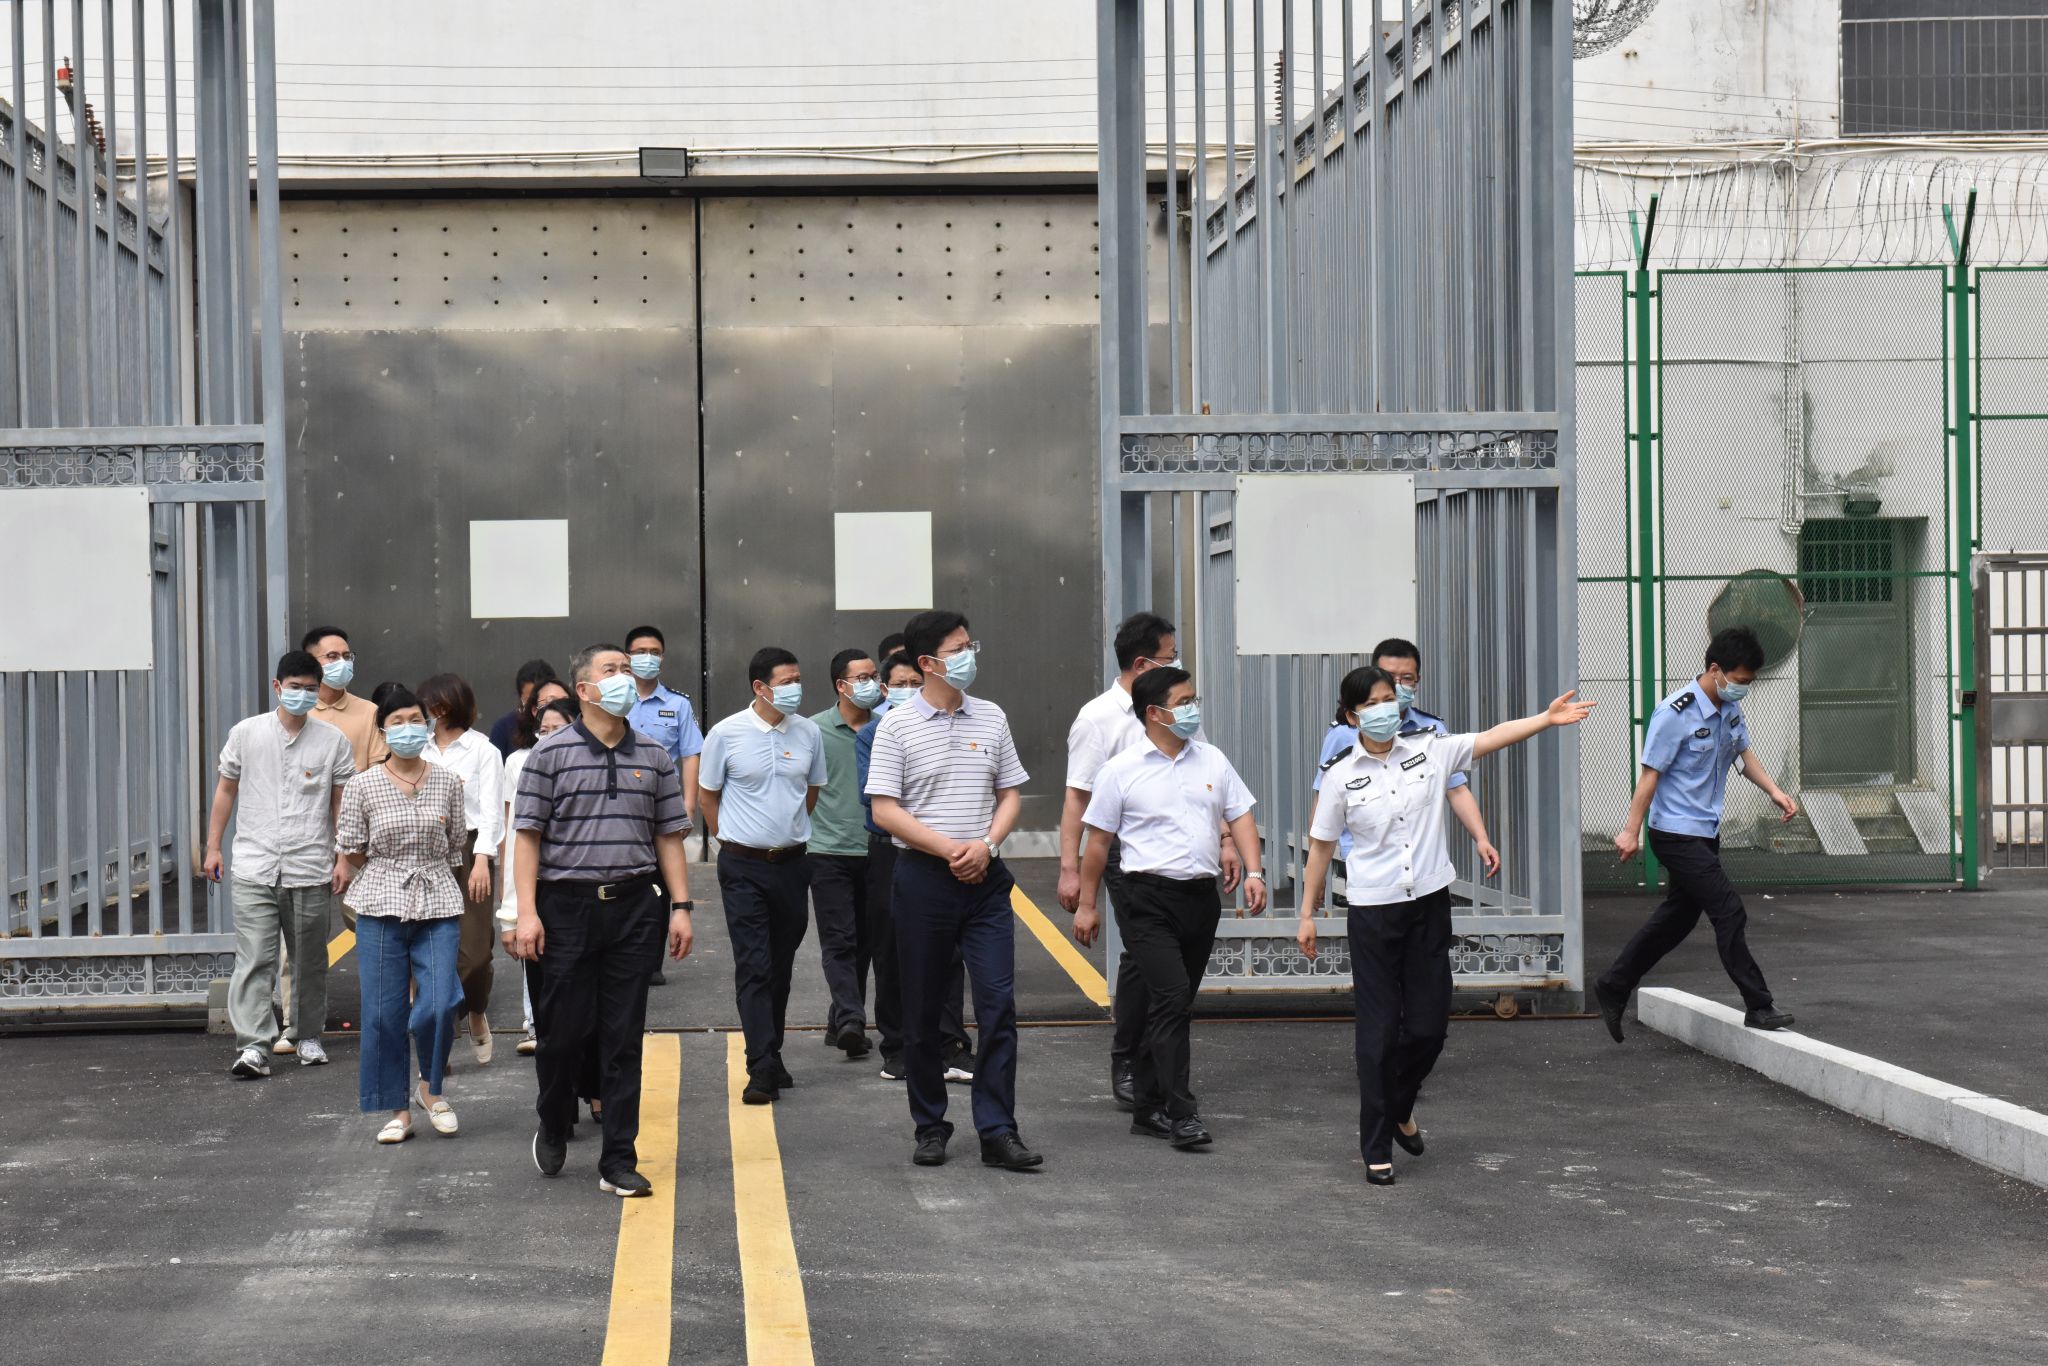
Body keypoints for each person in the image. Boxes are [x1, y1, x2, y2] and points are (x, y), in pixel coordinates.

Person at [1299, 668, 1593, 1186]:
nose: (1386, 709)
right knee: (1378, 1034)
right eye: (1372, 703)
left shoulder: (1428, 749)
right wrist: (1307, 913)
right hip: (1374, 912)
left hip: (1428, 906)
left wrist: (1546, 720)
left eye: (1389, 699)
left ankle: (1400, 1104)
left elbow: (1490, 738)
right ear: (1351, 717)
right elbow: (1321, 847)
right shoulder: (1341, 775)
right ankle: (1376, 1146)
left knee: (1429, 1028)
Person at [511, 643, 696, 1199]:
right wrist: (526, 913)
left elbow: (668, 837)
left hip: (635, 908)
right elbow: (527, 838)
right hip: (566, 908)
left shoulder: (655, 755)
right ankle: (553, 1117)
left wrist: (681, 907)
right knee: (562, 1034)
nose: (625, 678)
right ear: (584, 690)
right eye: (611, 670)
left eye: (627, 669)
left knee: (623, 1038)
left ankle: (619, 1158)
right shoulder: (550, 754)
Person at [867, 610, 1041, 1171]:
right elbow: (884, 809)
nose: (970, 656)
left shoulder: (991, 716)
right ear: (928, 662)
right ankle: (930, 1125)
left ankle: (998, 1129)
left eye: (971, 645)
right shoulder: (896, 726)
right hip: (924, 881)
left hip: (985, 882)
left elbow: (1009, 793)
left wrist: (985, 845)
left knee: (997, 1006)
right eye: (958, 648)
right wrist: (950, 850)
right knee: (922, 1010)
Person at [1072, 666, 1266, 1149]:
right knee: (1173, 998)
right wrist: (1087, 904)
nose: (1193, 709)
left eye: (1193, 699)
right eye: (1184, 702)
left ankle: (1147, 1107)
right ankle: (1182, 1113)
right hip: (1145, 899)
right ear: (1155, 713)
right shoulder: (1120, 771)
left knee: (1170, 1004)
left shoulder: (1212, 760)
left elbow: (1240, 814)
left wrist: (1255, 871)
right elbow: (1098, 844)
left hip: (1200, 899)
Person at [1057, 611, 1240, 1112]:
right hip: (1125, 852)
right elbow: (1077, 797)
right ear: (1141, 664)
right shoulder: (1097, 718)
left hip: (1184, 851)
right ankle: (1134, 1064)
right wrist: (1071, 870)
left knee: (1145, 962)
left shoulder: (1179, 707)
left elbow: (1206, 783)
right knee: (1147, 960)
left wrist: (1225, 838)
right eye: (1169, 656)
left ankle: (1142, 1063)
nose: (1178, 664)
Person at [1595, 626, 1799, 1042]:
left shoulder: (1729, 706)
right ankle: (1759, 1004)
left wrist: (1775, 791)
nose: (1744, 688)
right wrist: (1630, 831)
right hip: (1674, 833)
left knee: (1677, 919)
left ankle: (1614, 985)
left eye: (1749, 682)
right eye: (1739, 680)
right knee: (1729, 910)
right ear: (1715, 669)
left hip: (1705, 832)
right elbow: (1649, 775)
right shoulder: (1675, 713)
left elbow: (1742, 752)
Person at [204, 649, 356, 1078]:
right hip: (255, 864)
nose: (302, 695)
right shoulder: (246, 733)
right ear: (277, 687)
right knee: (255, 958)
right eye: (295, 687)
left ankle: (306, 1034)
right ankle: (253, 1045)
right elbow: (226, 790)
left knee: (309, 959)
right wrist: (213, 847)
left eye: (311, 689)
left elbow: (340, 804)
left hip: (309, 865)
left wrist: (343, 857)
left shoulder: (333, 741)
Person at [337, 687, 469, 1143]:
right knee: (382, 1011)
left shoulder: (447, 782)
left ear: (427, 725)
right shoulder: (362, 785)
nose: (408, 728)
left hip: (438, 900)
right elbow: (352, 846)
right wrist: (390, 872)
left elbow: (456, 844)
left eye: (416, 719)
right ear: (382, 730)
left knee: (440, 1001)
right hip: (379, 903)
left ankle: (431, 1089)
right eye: (397, 721)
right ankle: (397, 1110)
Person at [700, 647, 828, 1104]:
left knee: (781, 963)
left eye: (798, 679)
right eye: (786, 681)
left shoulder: (809, 732)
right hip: (743, 867)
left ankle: (771, 1051)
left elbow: (810, 792)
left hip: (793, 864)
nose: (796, 688)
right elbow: (708, 796)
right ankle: (760, 1067)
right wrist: (729, 841)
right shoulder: (725, 733)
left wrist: (786, 833)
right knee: (754, 965)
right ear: (760, 687)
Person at [858, 653, 974, 1083]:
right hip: (894, 852)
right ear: (884, 689)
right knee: (892, 950)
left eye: (914, 682)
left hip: (946, 853)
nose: (908, 690)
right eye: (899, 683)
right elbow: (874, 802)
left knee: (949, 952)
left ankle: (951, 1044)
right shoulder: (876, 733)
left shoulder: (956, 724)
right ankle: (897, 1046)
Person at [1314, 639, 1500, 879]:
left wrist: (1481, 838)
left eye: (1407, 678)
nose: (1398, 685)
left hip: (1421, 863)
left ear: (1417, 681)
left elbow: (1456, 789)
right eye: (1391, 677)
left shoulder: (1430, 729)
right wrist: (1316, 875)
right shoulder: (1343, 733)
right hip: (1366, 865)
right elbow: (1322, 804)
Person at [419, 672, 507, 1066]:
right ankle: (442, 1038)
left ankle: (475, 1010)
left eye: (434, 705)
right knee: (430, 952)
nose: (429, 712)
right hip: (425, 850)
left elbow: (491, 811)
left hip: (470, 849)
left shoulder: (483, 750)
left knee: (474, 954)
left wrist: (483, 859)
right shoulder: (417, 748)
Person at [807, 648, 884, 1059]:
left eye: (875, 676)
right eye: (863, 678)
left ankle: (839, 1020)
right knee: (839, 938)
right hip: (827, 851)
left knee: (866, 942)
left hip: (876, 848)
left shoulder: (887, 728)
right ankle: (853, 1018)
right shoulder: (812, 730)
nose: (873, 684)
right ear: (841, 685)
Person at [498, 697, 579, 1055]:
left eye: (557, 729)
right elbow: (518, 842)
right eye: (542, 730)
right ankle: (537, 1028)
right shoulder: (524, 766)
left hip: (588, 897)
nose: (548, 737)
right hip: (542, 895)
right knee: (545, 976)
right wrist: (511, 916)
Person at [623, 625, 705, 829]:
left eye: (655, 652)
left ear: (662, 658)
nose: (648, 657)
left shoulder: (679, 703)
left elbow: (690, 756)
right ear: (627, 657)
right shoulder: (614, 700)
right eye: (641, 652)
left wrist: (689, 808)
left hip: (664, 799)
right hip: (620, 797)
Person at [303, 626, 390, 776]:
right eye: (332, 656)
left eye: (347, 656)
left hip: (358, 790)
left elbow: (377, 773)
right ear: (310, 662)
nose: (343, 662)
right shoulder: (300, 710)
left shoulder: (369, 711)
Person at [488, 658, 561, 758]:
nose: (537, 707)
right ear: (521, 697)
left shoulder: (570, 723)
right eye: (531, 700)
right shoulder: (503, 728)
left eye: (545, 699)